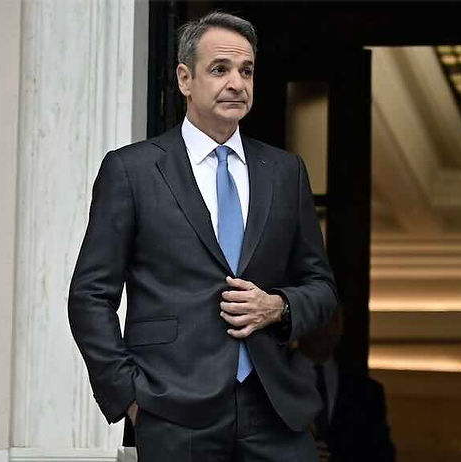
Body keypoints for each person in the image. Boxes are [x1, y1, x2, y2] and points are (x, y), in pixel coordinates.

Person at [68, 11, 337, 461]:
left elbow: (322, 288)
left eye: (246, 71)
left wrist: (279, 306)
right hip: (171, 410)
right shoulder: (132, 170)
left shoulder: (285, 172)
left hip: (274, 409)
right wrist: (130, 397)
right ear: (185, 79)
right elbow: (90, 296)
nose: (237, 83)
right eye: (220, 69)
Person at [298, 310, 396, 462]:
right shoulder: (267, 385)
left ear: (340, 324)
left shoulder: (367, 392)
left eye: (331, 318)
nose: (324, 327)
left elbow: (382, 455)